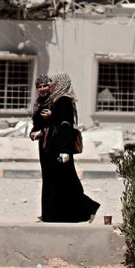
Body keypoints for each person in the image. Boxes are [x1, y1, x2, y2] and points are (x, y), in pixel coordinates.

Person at [32, 71, 100, 223]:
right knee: (56, 181)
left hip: (59, 148)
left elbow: (65, 127)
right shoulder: (57, 100)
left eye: (51, 82)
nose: (49, 85)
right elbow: (57, 123)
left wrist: (65, 150)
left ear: (60, 83)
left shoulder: (64, 101)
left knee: (65, 182)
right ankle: (54, 215)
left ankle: (88, 207)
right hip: (54, 147)